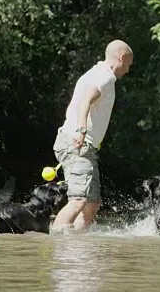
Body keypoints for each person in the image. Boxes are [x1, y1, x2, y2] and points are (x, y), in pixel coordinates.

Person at [52, 40, 133, 232]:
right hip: (77, 143)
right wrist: (81, 130)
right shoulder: (103, 77)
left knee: (93, 203)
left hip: (86, 146)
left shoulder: (98, 74)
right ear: (121, 57)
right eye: (128, 65)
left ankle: (77, 245)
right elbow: (86, 100)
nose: (128, 70)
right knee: (78, 200)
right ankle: (56, 246)